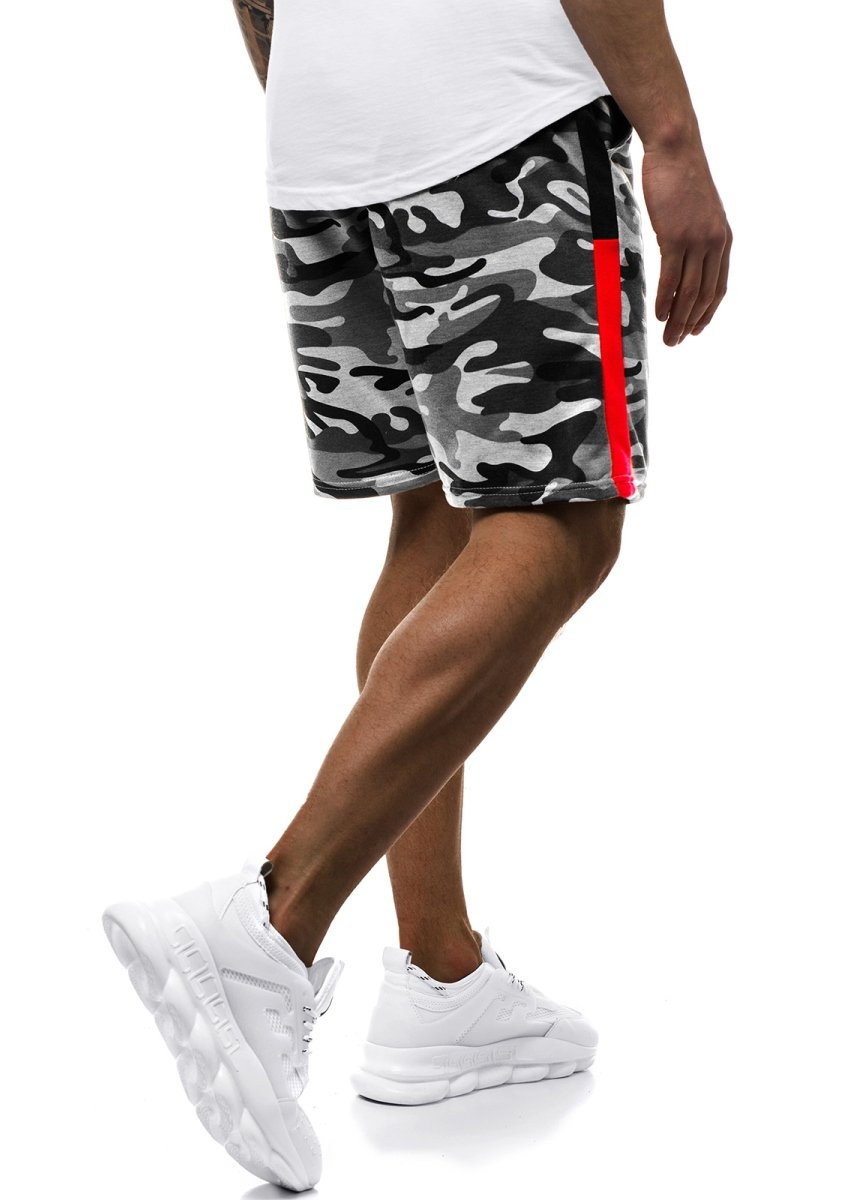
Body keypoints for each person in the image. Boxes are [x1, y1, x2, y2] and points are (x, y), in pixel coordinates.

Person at [103, 0, 731, 1190]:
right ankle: (272, 921)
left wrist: (336, 95)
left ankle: (441, 977)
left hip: (323, 136)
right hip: (502, 120)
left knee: (438, 524)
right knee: (560, 525)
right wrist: (674, 136)